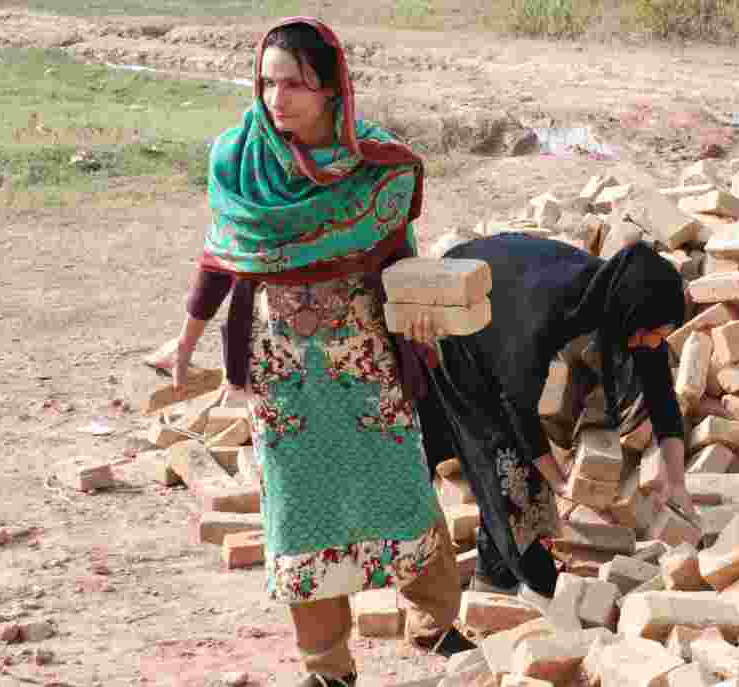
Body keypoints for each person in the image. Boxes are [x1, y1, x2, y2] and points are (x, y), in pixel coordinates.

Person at [168, 17, 472, 687]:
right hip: (284, 370)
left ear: (332, 88)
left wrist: (421, 324)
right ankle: (327, 665)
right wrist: (187, 343)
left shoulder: (374, 167)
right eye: (268, 83)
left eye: (296, 84)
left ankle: (437, 620)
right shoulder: (240, 161)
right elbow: (223, 259)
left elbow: (397, 252)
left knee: (400, 490)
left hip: (365, 357)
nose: (278, 99)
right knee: (302, 512)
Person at [407, 233, 698, 602]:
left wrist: (676, 482)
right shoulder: (549, 315)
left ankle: (493, 583)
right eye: (653, 335)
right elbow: (518, 410)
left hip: (509, 293)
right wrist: (560, 483)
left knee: (522, 470)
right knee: (505, 463)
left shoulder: (624, 301)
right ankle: (530, 583)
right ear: (631, 317)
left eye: (662, 336)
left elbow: (662, 397)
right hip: (462, 313)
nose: (656, 343)